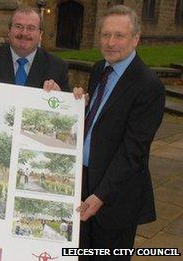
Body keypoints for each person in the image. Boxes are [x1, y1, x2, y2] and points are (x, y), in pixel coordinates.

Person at [78, 5, 165, 258]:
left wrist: (100, 195)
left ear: (136, 38)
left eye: (119, 35)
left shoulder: (149, 86)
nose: (110, 42)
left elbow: (133, 151)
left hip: (114, 198)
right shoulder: (98, 70)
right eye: (105, 35)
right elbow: (98, 122)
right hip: (83, 183)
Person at [0, 6, 69, 91]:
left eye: (31, 28)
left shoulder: (58, 67)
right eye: (18, 26)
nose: (24, 33)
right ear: (9, 31)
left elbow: (67, 108)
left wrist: (65, 97)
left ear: (41, 34)